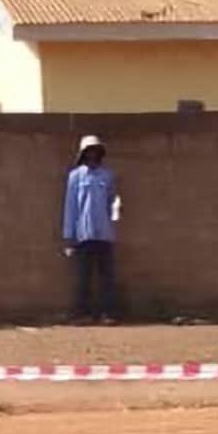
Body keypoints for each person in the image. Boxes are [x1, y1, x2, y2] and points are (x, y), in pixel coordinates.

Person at [62, 134, 121, 325]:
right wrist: (69, 235)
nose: (92, 154)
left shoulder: (108, 175)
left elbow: (113, 201)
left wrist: (115, 219)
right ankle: (82, 314)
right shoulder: (75, 176)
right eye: (89, 151)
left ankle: (108, 314)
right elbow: (70, 206)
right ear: (83, 153)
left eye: (96, 150)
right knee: (83, 277)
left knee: (106, 277)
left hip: (104, 233)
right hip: (83, 234)